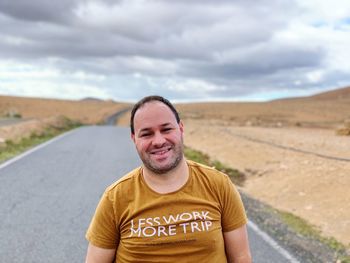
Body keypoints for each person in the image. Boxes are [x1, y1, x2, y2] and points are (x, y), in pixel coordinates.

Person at [85, 95, 251, 263]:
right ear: (134, 139)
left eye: (166, 129)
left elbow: (241, 257)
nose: (158, 141)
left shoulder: (219, 185)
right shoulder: (115, 198)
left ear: (180, 129)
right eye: (147, 134)